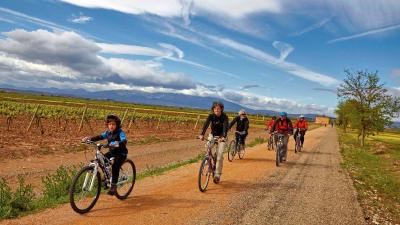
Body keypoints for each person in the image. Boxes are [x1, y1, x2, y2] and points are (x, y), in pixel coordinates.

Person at [82, 114, 128, 195]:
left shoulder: (120, 132)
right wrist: (89, 138)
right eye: (109, 124)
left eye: (113, 124)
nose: (111, 126)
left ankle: (113, 186)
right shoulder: (108, 132)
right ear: (107, 125)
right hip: (112, 152)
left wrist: (114, 144)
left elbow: (124, 141)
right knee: (103, 160)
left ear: (117, 125)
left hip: (121, 153)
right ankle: (107, 177)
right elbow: (100, 136)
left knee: (115, 166)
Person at [199, 101, 229, 183]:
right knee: (208, 145)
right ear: (213, 109)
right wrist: (201, 134)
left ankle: (217, 175)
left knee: (219, 156)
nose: (216, 110)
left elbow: (225, 128)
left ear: (221, 109)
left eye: (218, 109)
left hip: (222, 137)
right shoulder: (211, 116)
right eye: (215, 109)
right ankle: (207, 159)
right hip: (213, 135)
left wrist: (223, 137)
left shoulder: (224, 117)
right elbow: (206, 124)